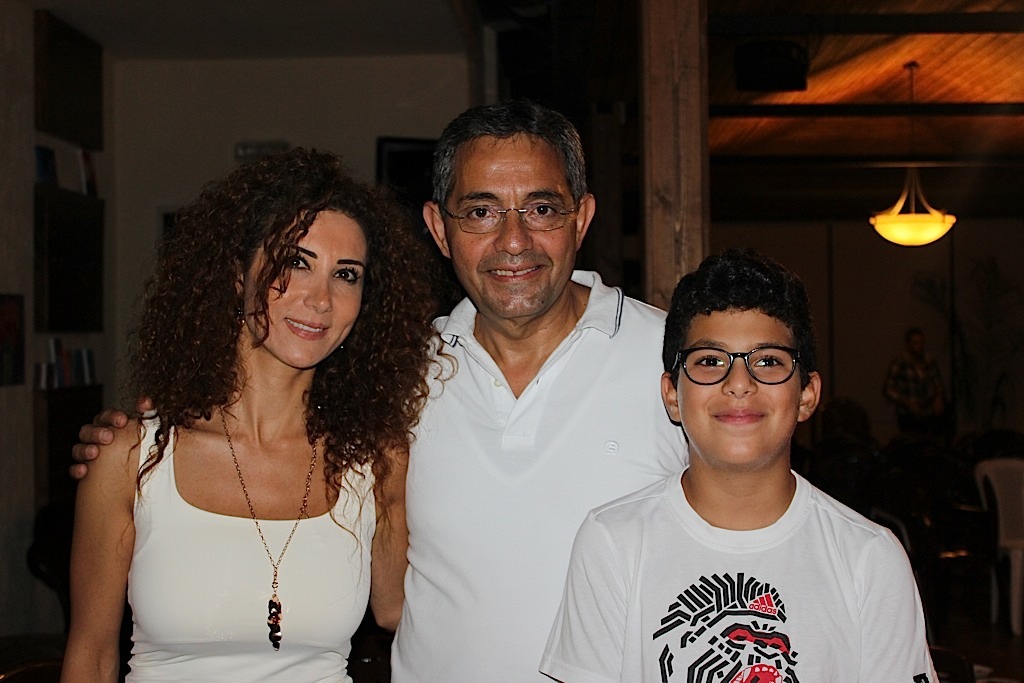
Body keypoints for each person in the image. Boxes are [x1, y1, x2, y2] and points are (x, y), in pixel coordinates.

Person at [72, 100, 687, 681]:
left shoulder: (677, 364)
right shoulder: (410, 380)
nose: (513, 239)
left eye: (542, 208)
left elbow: (740, 533)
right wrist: (127, 438)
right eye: (480, 211)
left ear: (581, 217)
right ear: (439, 229)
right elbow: (398, 605)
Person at [60, 148, 440, 681]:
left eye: (346, 274)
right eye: (296, 262)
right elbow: (91, 658)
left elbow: (401, 609)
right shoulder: (130, 457)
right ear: (238, 276)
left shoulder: (376, 461)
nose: (321, 299)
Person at [540, 249, 936, 683]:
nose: (740, 383)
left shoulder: (869, 557)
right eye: (711, 361)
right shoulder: (613, 542)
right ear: (672, 395)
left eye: (768, 361)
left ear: (807, 394)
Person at [883, 327, 947, 439]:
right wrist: (907, 403)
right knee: (911, 442)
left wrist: (938, 397)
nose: (920, 346)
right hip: (907, 415)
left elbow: (937, 382)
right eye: (916, 343)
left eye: (922, 342)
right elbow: (888, 389)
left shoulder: (929, 361)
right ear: (908, 344)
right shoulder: (900, 363)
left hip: (928, 413)